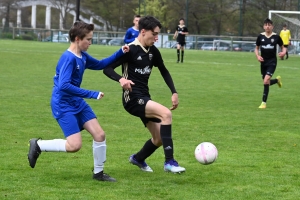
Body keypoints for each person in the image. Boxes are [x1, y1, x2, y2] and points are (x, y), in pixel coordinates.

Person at [27, 21, 129, 182]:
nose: (90, 42)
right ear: (77, 39)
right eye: (88, 39)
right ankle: (39, 145)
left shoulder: (82, 55)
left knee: (99, 134)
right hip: (63, 104)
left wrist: (120, 52)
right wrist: (92, 94)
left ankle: (98, 174)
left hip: (76, 102)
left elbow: (100, 64)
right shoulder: (69, 58)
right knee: (74, 146)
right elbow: (64, 86)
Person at [103, 16, 185, 173]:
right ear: (143, 31)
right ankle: (169, 162)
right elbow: (107, 68)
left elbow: (164, 71)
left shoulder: (153, 51)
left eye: (157, 34)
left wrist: (174, 92)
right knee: (166, 114)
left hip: (144, 98)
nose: (156, 38)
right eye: (154, 34)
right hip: (132, 99)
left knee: (159, 139)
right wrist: (121, 79)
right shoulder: (130, 49)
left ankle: (138, 158)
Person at [254, 18, 286, 109]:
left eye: (269, 25)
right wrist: (257, 56)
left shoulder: (276, 37)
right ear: (264, 26)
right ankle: (277, 80)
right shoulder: (260, 36)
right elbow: (256, 48)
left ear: (272, 26)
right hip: (263, 62)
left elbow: (283, 47)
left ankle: (263, 103)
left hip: (272, 62)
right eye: (266, 25)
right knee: (266, 82)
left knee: (265, 80)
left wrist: (283, 52)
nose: (267, 26)